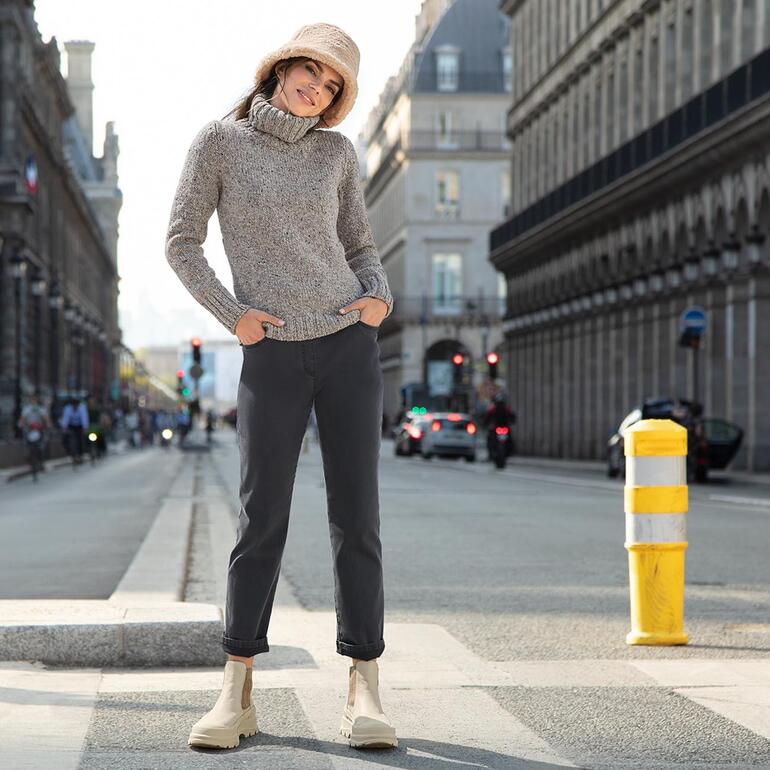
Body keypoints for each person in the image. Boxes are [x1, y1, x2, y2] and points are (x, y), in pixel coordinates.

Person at [166, 23, 397, 751]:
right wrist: (234, 317)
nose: (318, 90)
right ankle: (235, 692)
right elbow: (181, 241)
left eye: (333, 87)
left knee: (356, 518)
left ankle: (365, 685)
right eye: (314, 72)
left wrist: (377, 298)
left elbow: (360, 244)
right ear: (283, 66)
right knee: (260, 518)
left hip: (346, 345)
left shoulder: (336, 153)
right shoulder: (218, 142)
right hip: (268, 350)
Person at [18, 393, 50, 477]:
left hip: (39, 429)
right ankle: (28, 455)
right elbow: (22, 419)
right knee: (25, 442)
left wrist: (47, 424)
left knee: (43, 441)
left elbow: (46, 419)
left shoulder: (41, 409)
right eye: (32, 400)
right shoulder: (26, 409)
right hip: (29, 430)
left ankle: (41, 458)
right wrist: (21, 424)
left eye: (35, 400)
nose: (33, 401)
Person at [59, 394, 89, 465]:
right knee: (65, 439)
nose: (75, 405)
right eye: (73, 404)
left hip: (80, 426)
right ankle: (71, 453)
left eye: (76, 404)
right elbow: (66, 418)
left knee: (80, 439)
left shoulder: (82, 407)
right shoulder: (68, 408)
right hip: (71, 426)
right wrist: (64, 428)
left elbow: (84, 418)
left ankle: (80, 455)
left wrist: (85, 428)